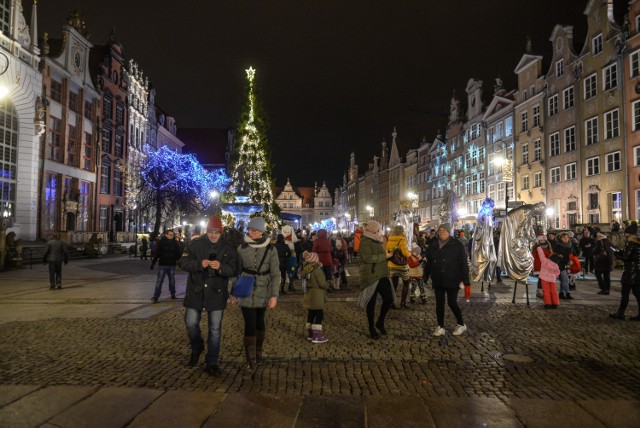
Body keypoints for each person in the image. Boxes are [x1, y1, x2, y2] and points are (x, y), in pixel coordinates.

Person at [178, 215, 238, 376]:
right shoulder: (195, 245)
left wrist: (221, 267)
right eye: (211, 231)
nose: (213, 235)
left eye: (216, 232)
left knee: (215, 329)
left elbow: (234, 269)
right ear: (206, 231)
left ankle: (212, 361)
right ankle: (197, 347)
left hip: (216, 292)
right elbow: (182, 263)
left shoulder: (228, 248)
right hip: (196, 291)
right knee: (190, 322)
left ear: (221, 232)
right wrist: (199, 264)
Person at [231, 216, 281, 373]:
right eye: (250, 229)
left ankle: (258, 353)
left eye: (254, 230)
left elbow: (275, 274)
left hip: (263, 291)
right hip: (245, 290)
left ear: (261, 232)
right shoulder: (241, 248)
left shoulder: (271, 250)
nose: (250, 232)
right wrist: (233, 292)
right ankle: (250, 359)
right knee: (249, 323)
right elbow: (236, 272)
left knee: (260, 321)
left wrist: (274, 295)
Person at [424, 223, 470, 336]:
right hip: (438, 277)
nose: (442, 232)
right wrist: (426, 275)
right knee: (439, 303)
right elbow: (429, 261)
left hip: (452, 277)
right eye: (440, 230)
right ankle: (440, 326)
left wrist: (466, 280)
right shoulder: (433, 244)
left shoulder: (457, 244)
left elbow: (463, 263)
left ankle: (461, 324)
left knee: (452, 302)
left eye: (444, 230)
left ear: (449, 232)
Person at [356, 220, 394, 339]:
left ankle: (380, 321)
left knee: (389, 299)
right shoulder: (365, 241)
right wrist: (385, 256)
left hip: (382, 273)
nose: (380, 231)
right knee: (370, 303)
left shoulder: (377, 239)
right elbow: (367, 258)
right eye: (378, 229)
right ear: (373, 230)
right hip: (370, 275)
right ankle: (371, 327)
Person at [610, 223, 640, 321]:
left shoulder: (630, 242)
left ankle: (621, 313)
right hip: (637, 271)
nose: (623, 234)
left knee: (625, 293)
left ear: (628, 233)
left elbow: (626, 257)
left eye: (625, 232)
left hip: (630, 272)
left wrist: (615, 252)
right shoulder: (637, 242)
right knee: (637, 293)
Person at [301, 251, 329, 343]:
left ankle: (310, 334)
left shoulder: (306, 269)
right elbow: (322, 283)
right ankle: (316, 336)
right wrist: (327, 285)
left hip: (309, 294)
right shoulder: (317, 270)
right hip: (317, 295)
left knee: (311, 313)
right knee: (319, 314)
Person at [150, 229, 181, 302]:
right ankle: (156, 297)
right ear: (166, 235)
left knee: (172, 281)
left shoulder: (175, 243)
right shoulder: (161, 242)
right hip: (163, 264)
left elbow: (178, 254)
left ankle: (173, 294)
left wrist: (180, 262)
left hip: (171, 265)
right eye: (170, 235)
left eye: (172, 235)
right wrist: (153, 263)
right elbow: (157, 253)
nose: (171, 236)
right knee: (159, 281)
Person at [386, 225, 412, 309]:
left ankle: (392, 302)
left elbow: (387, 250)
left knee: (393, 284)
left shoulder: (390, 239)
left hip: (391, 264)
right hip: (402, 266)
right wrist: (410, 253)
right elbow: (405, 253)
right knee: (406, 283)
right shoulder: (402, 239)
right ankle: (403, 303)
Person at [536, 245, 560, 309]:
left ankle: (548, 303)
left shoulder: (545, 261)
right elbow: (558, 273)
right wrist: (555, 276)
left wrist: (539, 247)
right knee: (554, 291)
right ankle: (555, 303)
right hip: (552, 280)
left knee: (546, 291)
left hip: (544, 279)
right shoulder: (556, 265)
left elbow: (541, 254)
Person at [553, 232, 574, 300]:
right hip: (559, 264)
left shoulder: (570, 244)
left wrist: (571, 260)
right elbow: (562, 253)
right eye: (564, 237)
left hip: (567, 264)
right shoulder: (557, 245)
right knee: (565, 279)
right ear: (560, 238)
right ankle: (567, 293)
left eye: (567, 237)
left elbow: (572, 254)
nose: (566, 239)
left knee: (563, 280)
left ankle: (561, 293)